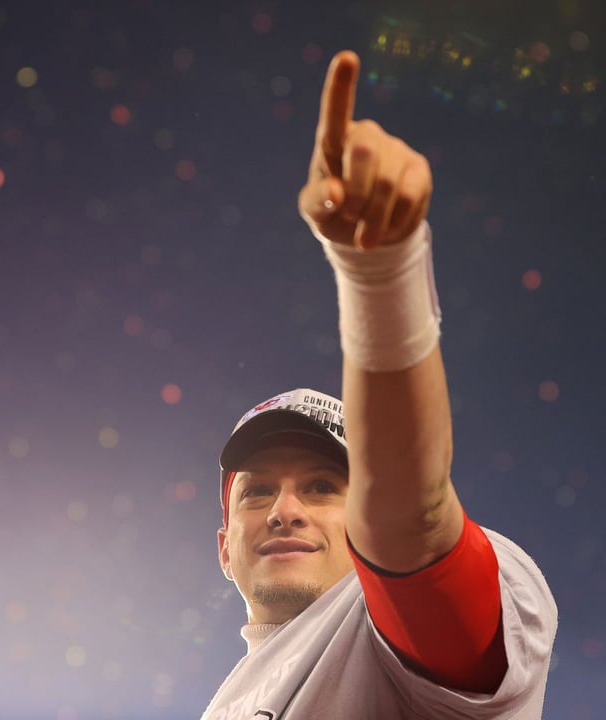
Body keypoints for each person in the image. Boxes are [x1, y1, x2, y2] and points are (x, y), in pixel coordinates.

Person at [202, 51, 556, 719]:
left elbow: (412, 521)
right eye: (257, 491)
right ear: (224, 546)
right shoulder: (227, 702)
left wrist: (380, 278)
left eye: (322, 486)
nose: (285, 509)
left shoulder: (387, 635)